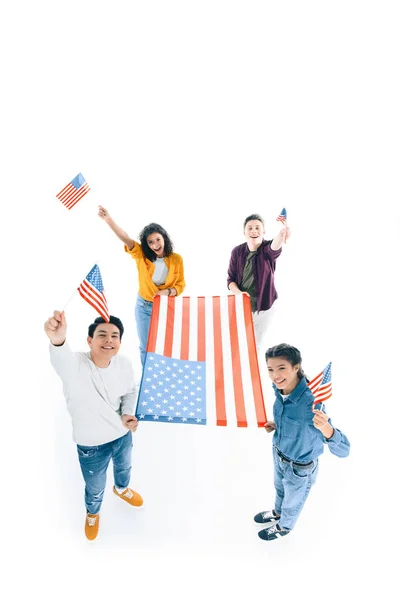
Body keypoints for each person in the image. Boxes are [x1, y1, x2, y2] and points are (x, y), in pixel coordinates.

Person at [44, 310, 143, 541]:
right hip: (91, 447)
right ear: (90, 340)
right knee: (95, 486)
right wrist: (57, 339)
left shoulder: (125, 364)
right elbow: (61, 357)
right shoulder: (75, 365)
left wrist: (127, 414)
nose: (109, 340)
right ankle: (93, 512)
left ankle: (121, 490)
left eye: (115, 336)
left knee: (124, 470)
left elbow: (130, 391)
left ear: (120, 342)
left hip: (122, 436)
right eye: (102, 335)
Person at [254, 343, 350, 541]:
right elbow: (294, 422)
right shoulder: (279, 389)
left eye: (282, 368)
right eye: (270, 369)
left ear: (296, 367)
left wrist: (326, 429)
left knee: (292, 501)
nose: (275, 375)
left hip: (299, 468)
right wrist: (278, 425)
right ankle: (277, 513)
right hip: (279, 455)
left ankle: (284, 526)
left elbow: (344, 450)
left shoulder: (311, 404)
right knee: (279, 489)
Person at [98, 206, 186, 366]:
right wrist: (109, 220)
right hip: (144, 307)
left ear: (164, 238)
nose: (155, 244)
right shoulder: (141, 256)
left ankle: (164, 375)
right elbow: (125, 237)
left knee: (167, 346)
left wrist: (168, 291)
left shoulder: (176, 259)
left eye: (158, 239)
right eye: (150, 242)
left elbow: (181, 285)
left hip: (166, 307)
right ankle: (148, 379)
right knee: (147, 347)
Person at [227, 213, 290, 353]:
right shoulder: (237, 252)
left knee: (254, 345)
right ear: (244, 232)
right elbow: (230, 280)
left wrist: (282, 233)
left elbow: (276, 245)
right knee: (236, 343)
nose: (254, 231)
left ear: (263, 232)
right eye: (250, 228)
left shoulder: (267, 250)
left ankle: (251, 372)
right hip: (242, 306)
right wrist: (240, 294)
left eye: (257, 228)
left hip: (264, 307)